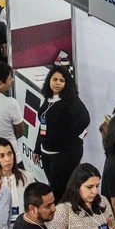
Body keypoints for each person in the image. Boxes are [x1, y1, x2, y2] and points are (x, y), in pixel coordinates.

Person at [33, 66, 90, 201]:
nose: (57, 83)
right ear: (49, 80)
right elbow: (43, 125)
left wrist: (68, 136)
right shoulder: (49, 98)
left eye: (62, 80)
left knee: (60, 191)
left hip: (64, 155)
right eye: (55, 79)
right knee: (54, 187)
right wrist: (37, 149)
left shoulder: (71, 100)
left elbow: (85, 119)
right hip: (47, 153)